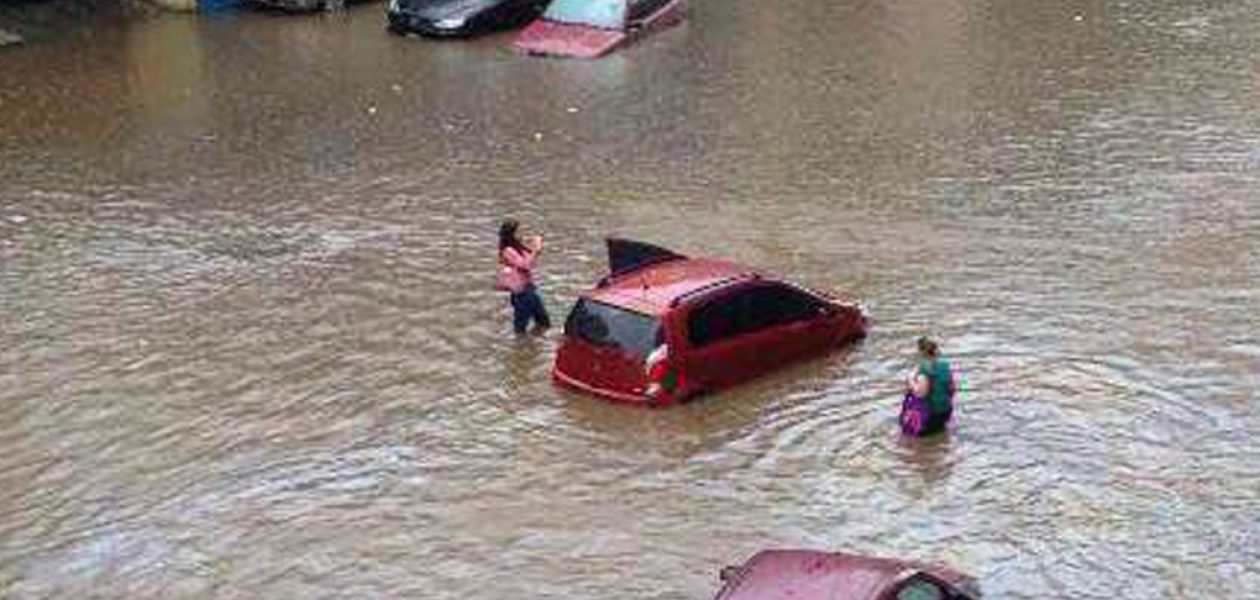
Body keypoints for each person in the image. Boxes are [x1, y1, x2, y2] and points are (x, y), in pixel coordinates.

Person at [497, 219, 551, 335]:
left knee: (544, 323)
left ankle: (532, 346)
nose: (522, 234)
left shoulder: (518, 247)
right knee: (520, 329)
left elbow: (530, 261)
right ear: (512, 234)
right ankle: (520, 349)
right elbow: (525, 265)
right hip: (521, 294)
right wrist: (535, 251)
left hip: (530, 290)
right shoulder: (508, 250)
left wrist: (536, 247)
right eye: (519, 232)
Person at [900, 337, 957, 436]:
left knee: (907, 441)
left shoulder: (924, 369)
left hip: (929, 416)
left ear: (921, 352)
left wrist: (910, 381)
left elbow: (922, 393)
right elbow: (952, 389)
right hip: (945, 413)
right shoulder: (945, 366)